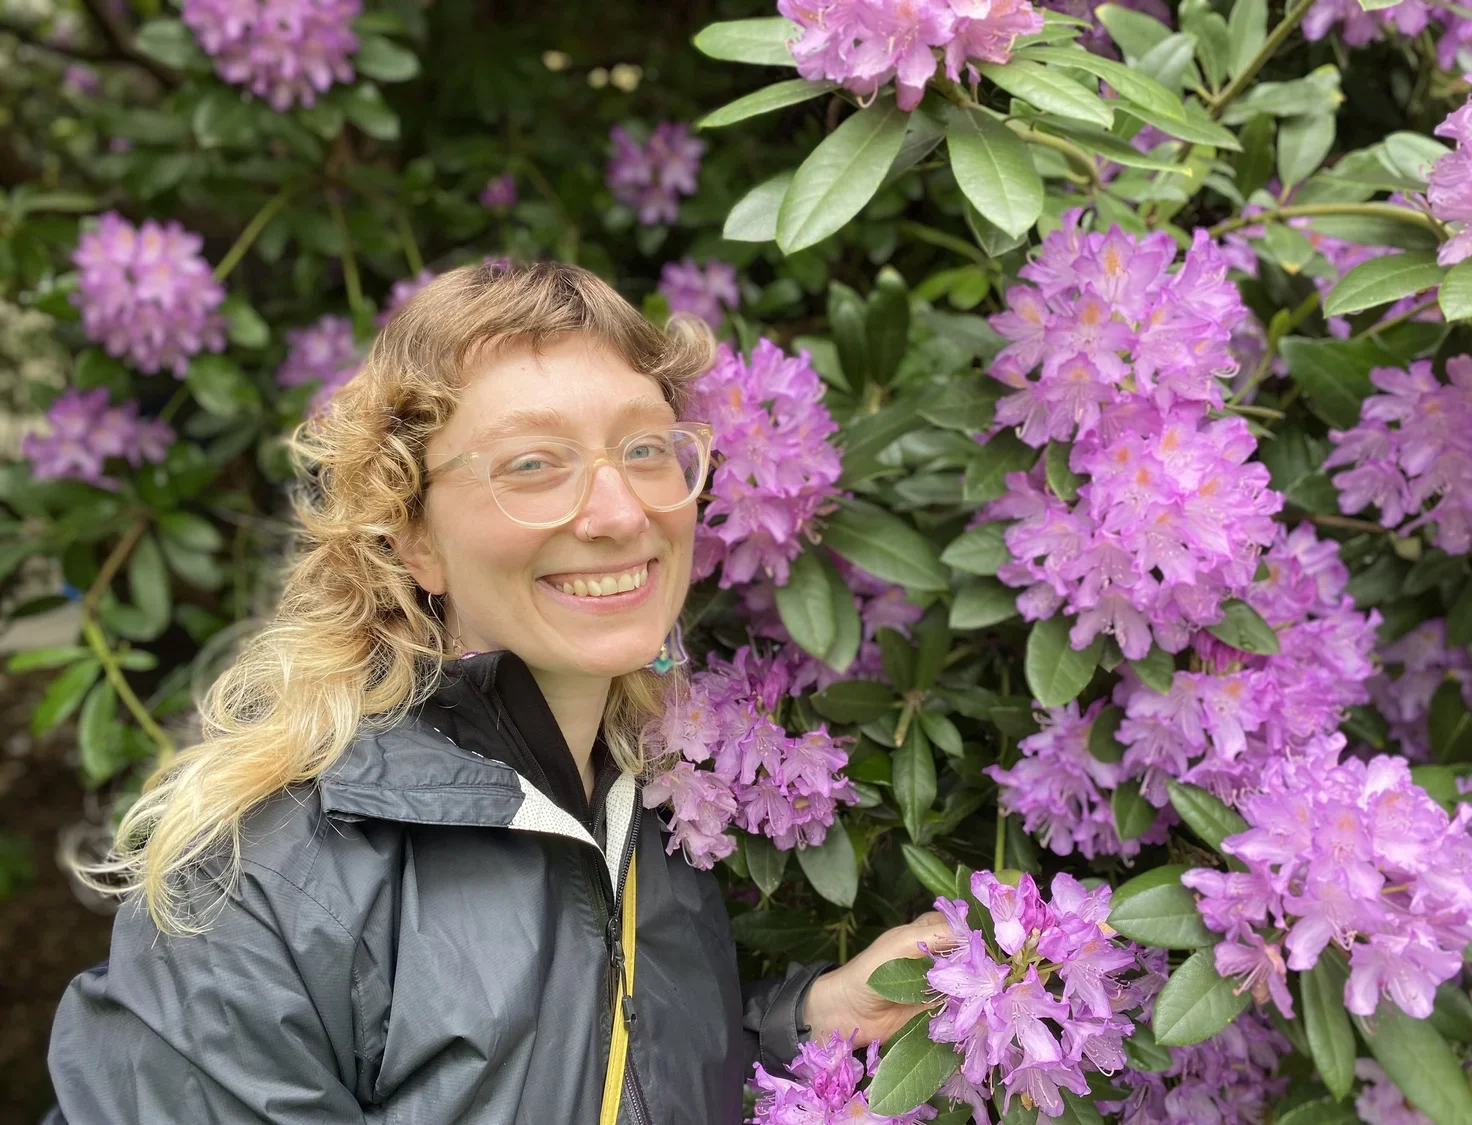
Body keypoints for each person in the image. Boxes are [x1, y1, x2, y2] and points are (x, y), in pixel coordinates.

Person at [45, 260, 951, 1124]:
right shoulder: (263, 888)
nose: (621, 512)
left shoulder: (645, 800)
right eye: (532, 464)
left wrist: (807, 1028)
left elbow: (595, 1068)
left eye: (645, 448)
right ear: (414, 538)